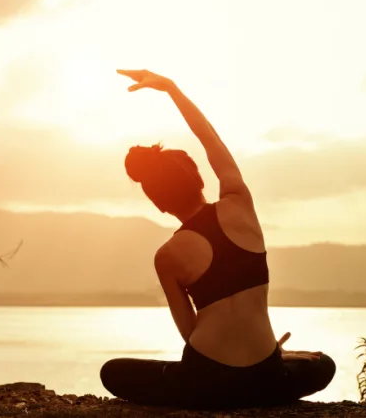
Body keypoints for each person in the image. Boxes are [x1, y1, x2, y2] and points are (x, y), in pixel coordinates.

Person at [99, 69, 336, 410]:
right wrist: (171, 89)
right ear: (199, 179)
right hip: (265, 377)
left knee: (114, 372)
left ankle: (214, 390)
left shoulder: (167, 256)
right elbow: (211, 139)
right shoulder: (240, 205)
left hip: (206, 383)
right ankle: (268, 375)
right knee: (322, 363)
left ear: (160, 204)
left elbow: (190, 332)